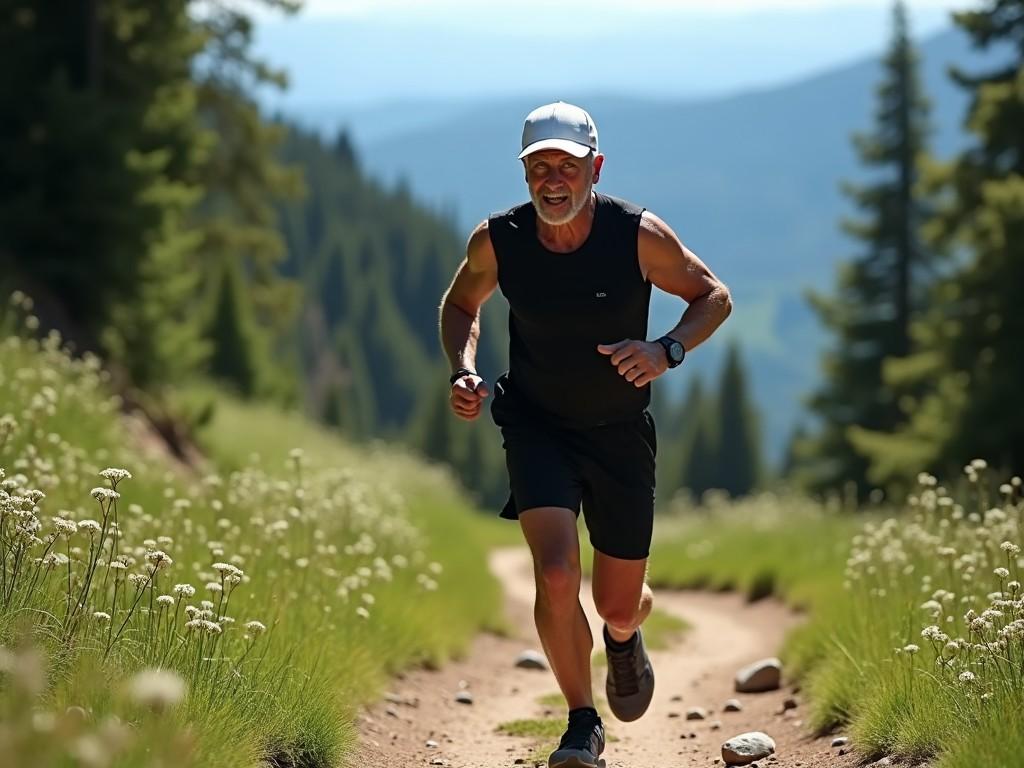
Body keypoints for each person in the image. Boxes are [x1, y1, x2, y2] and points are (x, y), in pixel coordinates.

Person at [438, 101, 732, 768]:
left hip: (620, 432)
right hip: (536, 423)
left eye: (566, 166)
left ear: (594, 168)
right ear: (524, 174)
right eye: (538, 166)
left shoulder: (638, 235)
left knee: (617, 604)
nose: (552, 180)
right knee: (556, 571)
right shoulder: (499, 241)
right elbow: (461, 305)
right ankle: (580, 723)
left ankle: (625, 638)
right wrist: (463, 370)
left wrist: (667, 350)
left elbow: (712, 295)